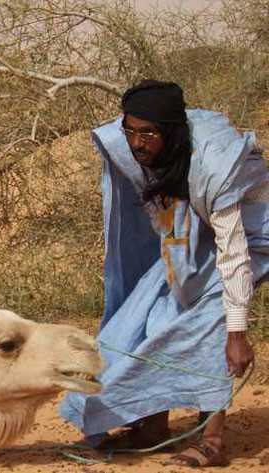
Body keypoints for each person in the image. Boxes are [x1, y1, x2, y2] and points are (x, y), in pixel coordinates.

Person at [59, 80, 267, 467]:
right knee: (151, 318)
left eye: (147, 134)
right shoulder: (151, 154)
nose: (137, 143)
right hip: (192, 235)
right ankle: (153, 425)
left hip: (247, 237)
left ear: (170, 134)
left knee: (208, 326)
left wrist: (237, 333)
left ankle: (213, 441)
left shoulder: (212, 169)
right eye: (130, 131)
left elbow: (234, 253)